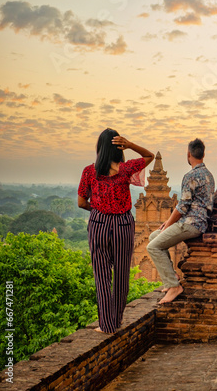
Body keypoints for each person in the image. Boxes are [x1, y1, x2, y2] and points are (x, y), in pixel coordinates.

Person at [77, 128, 154, 334]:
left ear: (100, 148)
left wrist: (99, 210)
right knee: (121, 274)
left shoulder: (89, 171)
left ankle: (106, 325)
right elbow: (149, 156)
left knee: (102, 276)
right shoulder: (126, 169)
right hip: (122, 225)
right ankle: (116, 321)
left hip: (99, 224)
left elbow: (81, 202)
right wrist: (130, 145)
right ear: (118, 148)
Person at [147, 138, 215, 304]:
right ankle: (172, 275)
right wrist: (166, 224)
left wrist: (168, 223)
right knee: (152, 237)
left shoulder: (191, 176)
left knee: (153, 246)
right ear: (203, 154)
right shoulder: (209, 175)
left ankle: (173, 286)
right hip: (198, 222)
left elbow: (183, 207)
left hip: (190, 224)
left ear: (189, 154)